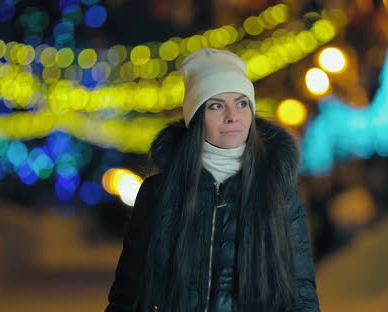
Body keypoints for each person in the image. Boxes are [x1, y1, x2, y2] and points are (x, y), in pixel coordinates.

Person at [104, 48, 320, 312]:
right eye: (216, 105)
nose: (233, 116)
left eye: (242, 103)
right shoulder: (157, 193)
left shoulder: (277, 191)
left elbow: (302, 291)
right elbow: (128, 293)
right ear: (195, 117)